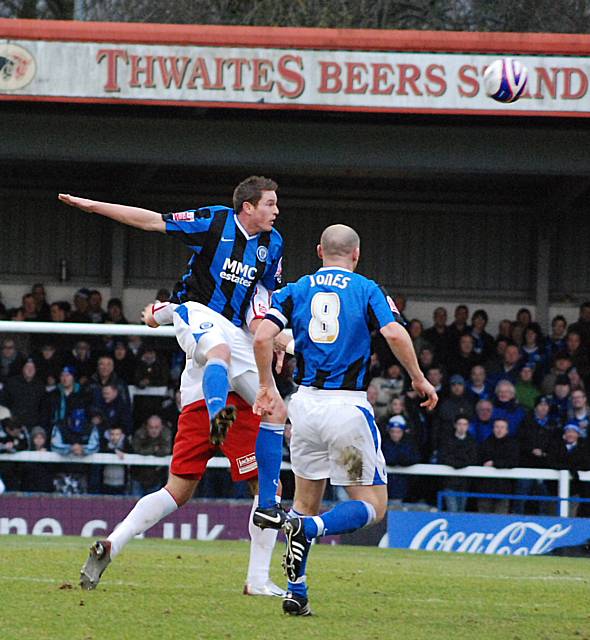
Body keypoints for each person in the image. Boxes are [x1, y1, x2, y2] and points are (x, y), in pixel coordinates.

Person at [63, 177, 288, 596]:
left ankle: (114, 542)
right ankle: (259, 575)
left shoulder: (273, 245)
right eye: (270, 204)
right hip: (198, 315)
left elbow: (261, 304)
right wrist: (92, 205)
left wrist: (273, 336)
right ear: (247, 206)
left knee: (187, 487)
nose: (276, 211)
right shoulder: (215, 221)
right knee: (216, 350)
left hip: (220, 361)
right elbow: (151, 221)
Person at [251, 224, 437, 615]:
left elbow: (262, 336)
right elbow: (395, 334)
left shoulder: (296, 289)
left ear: (319, 250)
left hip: (304, 409)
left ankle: (295, 590)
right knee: (372, 505)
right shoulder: (367, 288)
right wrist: (419, 379)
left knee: (304, 501)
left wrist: (267, 385)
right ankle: (313, 530)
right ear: (356, 254)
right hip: (346, 413)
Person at [477, 418, 519, 514]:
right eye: (497, 427)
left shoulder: (512, 445)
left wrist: (494, 463)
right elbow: (479, 460)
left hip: (503, 489)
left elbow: (513, 462)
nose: (499, 430)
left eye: (502, 427)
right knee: (483, 518)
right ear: (493, 428)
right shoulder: (486, 443)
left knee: (500, 518)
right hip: (485, 489)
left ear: (507, 430)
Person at [439, 416, 478, 512]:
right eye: (459, 424)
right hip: (449, 483)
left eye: (464, 424)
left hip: (465, 484)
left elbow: (473, 459)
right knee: (452, 511)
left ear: (468, 426)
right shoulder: (446, 440)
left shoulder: (472, 442)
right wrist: (460, 462)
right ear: (455, 425)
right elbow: (444, 457)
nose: (462, 427)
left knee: (461, 511)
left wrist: (457, 462)